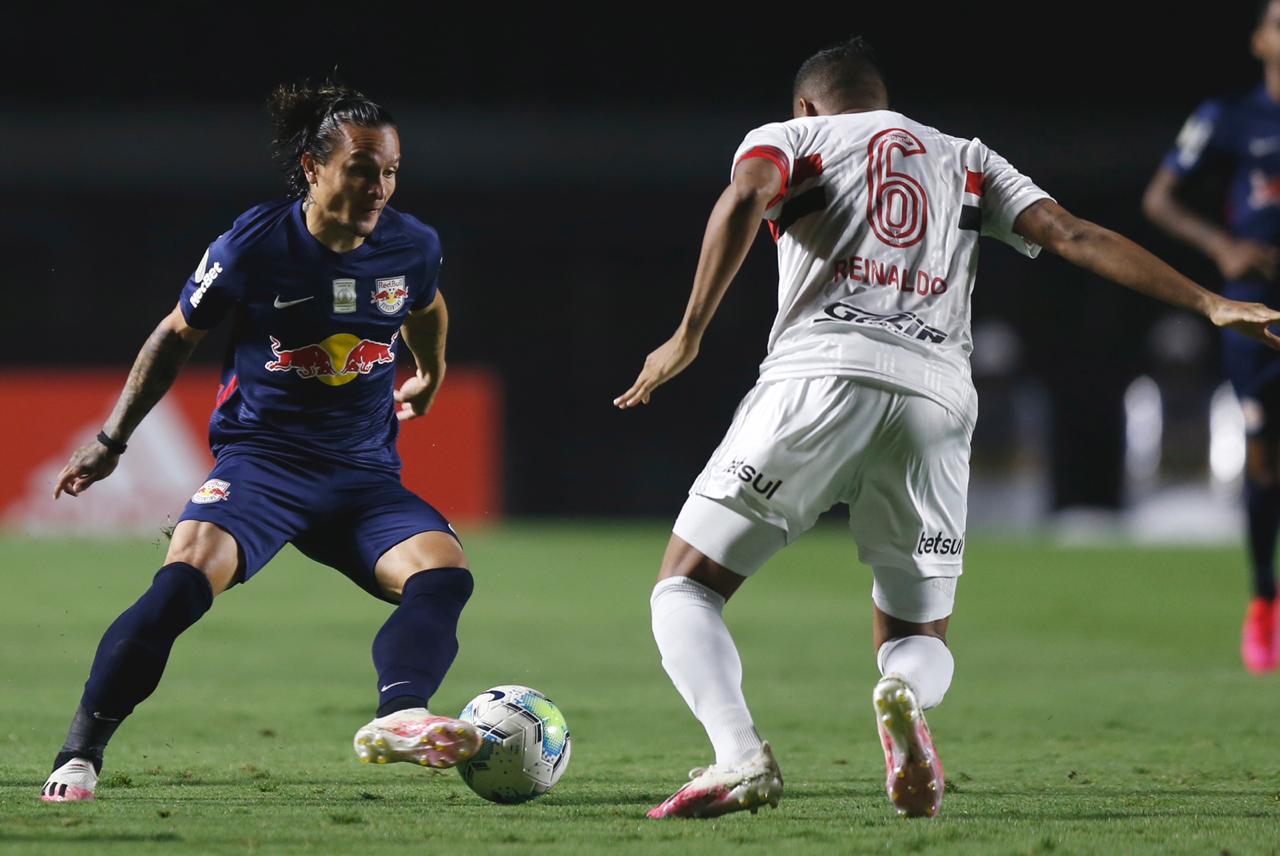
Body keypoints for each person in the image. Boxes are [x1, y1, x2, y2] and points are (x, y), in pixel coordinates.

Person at [616, 37, 1280, 820]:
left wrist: (688, 334)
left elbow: (741, 199)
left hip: (819, 376)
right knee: (916, 629)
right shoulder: (967, 156)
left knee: (685, 586)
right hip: (937, 399)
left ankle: (738, 755)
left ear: (806, 104)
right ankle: (901, 695)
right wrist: (1208, 301)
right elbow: (1072, 234)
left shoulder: (789, 138)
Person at [39, 81, 482, 802]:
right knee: (183, 582)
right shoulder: (254, 245)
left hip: (363, 477)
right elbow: (173, 337)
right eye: (364, 168)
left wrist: (429, 371)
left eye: (391, 170)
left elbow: (427, 306)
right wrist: (113, 439)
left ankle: (400, 716)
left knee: (443, 574)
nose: (380, 186)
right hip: (264, 469)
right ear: (314, 167)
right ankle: (79, 753)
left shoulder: (411, 244)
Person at [1144, 0, 1280, 674]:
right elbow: (1160, 199)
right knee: (1263, 455)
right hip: (1261, 313)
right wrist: (1224, 246)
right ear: (1261, 39)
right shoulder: (1229, 115)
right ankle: (1263, 599)